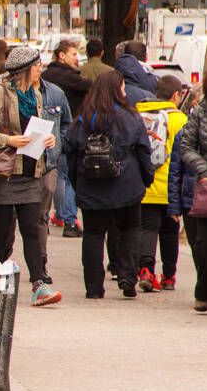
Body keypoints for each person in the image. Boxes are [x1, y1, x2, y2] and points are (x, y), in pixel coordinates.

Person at [0, 45, 62, 305]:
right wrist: (9, 139)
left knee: (31, 228)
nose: (41, 69)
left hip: (31, 172)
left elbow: (35, 129)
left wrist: (48, 139)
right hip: (4, 174)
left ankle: (39, 284)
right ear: (26, 69)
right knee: (2, 232)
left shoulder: (37, 95)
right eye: (37, 65)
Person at [63, 71, 155, 298]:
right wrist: (147, 177)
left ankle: (94, 287)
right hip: (127, 184)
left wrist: (78, 182)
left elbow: (70, 152)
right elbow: (144, 150)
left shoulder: (83, 118)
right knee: (130, 229)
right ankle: (127, 278)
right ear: (118, 90)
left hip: (92, 185)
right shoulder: (130, 117)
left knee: (94, 234)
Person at [134, 74, 188, 292]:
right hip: (170, 187)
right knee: (169, 232)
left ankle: (146, 269)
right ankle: (168, 275)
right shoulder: (179, 120)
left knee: (147, 228)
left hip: (146, 184)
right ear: (176, 95)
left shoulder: (140, 115)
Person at [42, 39, 89, 237]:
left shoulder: (46, 75)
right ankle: (69, 218)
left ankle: (55, 215)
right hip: (68, 131)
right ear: (62, 55)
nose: (76, 58)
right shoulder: (70, 78)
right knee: (65, 176)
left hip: (48, 132)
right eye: (73, 54)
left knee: (54, 175)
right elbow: (91, 86)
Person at [170, 86, 207, 310]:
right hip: (199, 193)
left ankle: (203, 290)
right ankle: (203, 288)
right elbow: (184, 149)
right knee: (201, 245)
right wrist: (204, 170)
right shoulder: (199, 116)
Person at [34, 67, 72, 282]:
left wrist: (58, 144)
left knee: (41, 215)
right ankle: (2, 261)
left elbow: (66, 123)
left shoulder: (55, 93)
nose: (36, 70)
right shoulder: (8, 93)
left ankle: (40, 265)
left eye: (38, 65)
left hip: (47, 162)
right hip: (18, 163)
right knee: (12, 219)